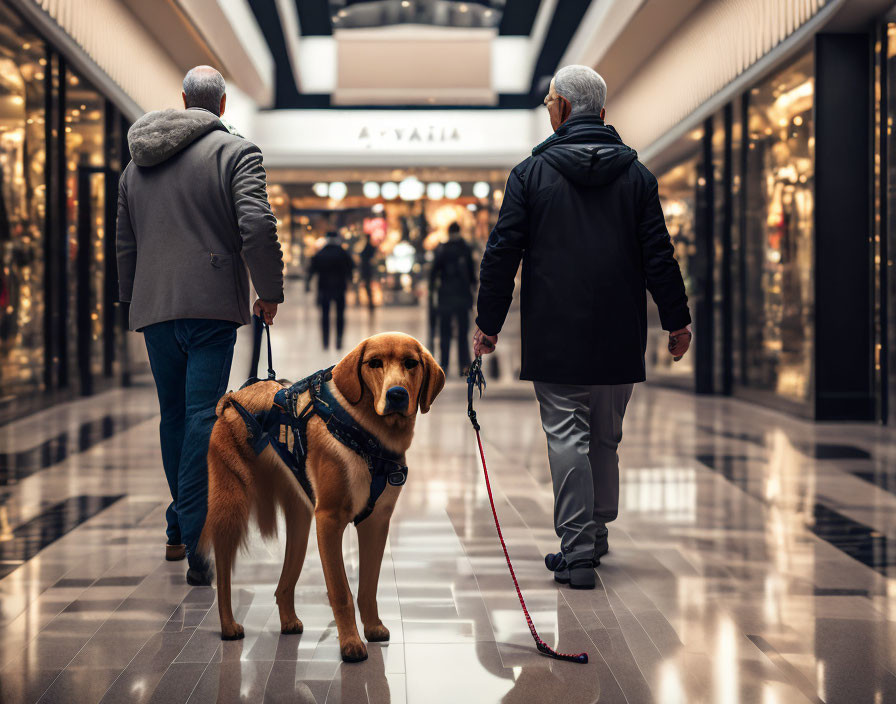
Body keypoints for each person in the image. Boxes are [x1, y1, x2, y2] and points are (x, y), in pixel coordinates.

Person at [473, 65, 691, 590]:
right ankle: (593, 531)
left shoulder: (530, 174)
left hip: (555, 329)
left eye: (549, 101)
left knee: (566, 433)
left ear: (564, 109)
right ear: (603, 113)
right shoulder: (637, 176)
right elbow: (658, 253)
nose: (548, 109)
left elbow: (503, 253)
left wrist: (488, 324)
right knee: (605, 436)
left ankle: (577, 551)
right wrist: (677, 318)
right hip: (620, 329)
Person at [116, 66, 284, 586]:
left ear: (183, 99)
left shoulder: (135, 164)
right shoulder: (237, 154)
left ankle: (177, 522)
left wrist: (132, 298)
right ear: (223, 106)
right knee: (201, 418)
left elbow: (125, 242)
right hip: (211, 305)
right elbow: (256, 224)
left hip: (156, 308)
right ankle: (197, 537)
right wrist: (269, 290)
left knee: (174, 417)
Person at [430, 222, 476, 376]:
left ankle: (444, 366)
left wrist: (433, 292)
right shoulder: (465, 248)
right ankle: (464, 366)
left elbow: (434, 272)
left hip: (446, 297)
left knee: (445, 333)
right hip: (462, 296)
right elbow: (471, 274)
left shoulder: (442, 248)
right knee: (463, 333)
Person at [307, 231, 354, 350]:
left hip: (324, 288)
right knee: (340, 315)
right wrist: (351, 282)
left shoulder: (321, 253)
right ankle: (339, 340)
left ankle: (325, 341)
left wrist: (307, 284)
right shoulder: (343, 253)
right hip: (340, 288)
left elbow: (312, 269)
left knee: (325, 316)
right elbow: (351, 268)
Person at [359, 234, 377, 312]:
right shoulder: (368, 246)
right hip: (366, 269)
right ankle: (370, 302)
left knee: (367, 285)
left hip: (367, 269)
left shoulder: (368, 246)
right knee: (367, 285)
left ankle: (371, 302)